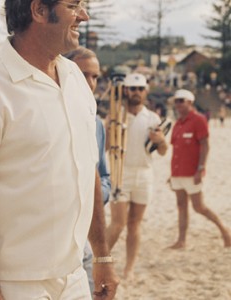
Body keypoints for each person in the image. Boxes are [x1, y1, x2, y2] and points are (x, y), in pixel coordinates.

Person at [0, 1, 119, 299]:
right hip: (16, 283)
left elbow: (86, 167)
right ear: (39, 10)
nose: (84, 16)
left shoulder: (76, 79)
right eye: (73, 5)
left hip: (76, 275)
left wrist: (102, 256)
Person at [104, 73, 168, 281]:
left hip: (144, 174)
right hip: (120, 171)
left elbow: (162, 151)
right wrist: (109, 126)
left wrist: (159, 140)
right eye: (133, 89)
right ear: (126, 90)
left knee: (134, 224)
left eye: (140, 89)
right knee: (118, 223)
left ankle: (129, 269)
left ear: (145, 91)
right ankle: (98, 261)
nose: (136, 93)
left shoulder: (152, 118)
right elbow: (104, 147)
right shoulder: (116, 115)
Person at [65, 46, 111, 294]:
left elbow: (104, 177)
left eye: (95, 77)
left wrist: (94, 194)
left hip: (85, 234)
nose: (91, 83)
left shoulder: (96, 123)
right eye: (84, 74)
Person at [167, 89, 231, 249]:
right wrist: (172, 174)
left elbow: (205, 145)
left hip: (191, 172)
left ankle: (225, 231)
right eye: (176, 101)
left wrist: (200, 169)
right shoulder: (178, 124)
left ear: (190, 102)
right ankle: (181, 241)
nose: (178, 104)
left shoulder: (198, 120)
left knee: (199, 207)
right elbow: (176, 150)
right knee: (181, 206)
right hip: (177, 172)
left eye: (181, 100)